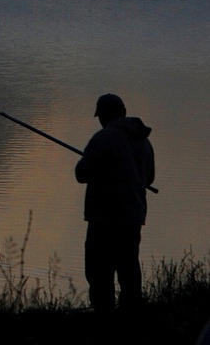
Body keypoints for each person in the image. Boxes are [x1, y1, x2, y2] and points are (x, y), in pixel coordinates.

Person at [75, 93, 155, 315]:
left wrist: (86, 160)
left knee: (99, 270)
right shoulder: (143, 140)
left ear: (105, 115)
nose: (99, 120)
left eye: (100, 115)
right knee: (129, 266)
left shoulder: (103, 138)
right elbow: (149, 179)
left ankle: (104, 315)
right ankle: (132, 313)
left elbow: (81, 174)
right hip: (133, 217)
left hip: (104, 217)